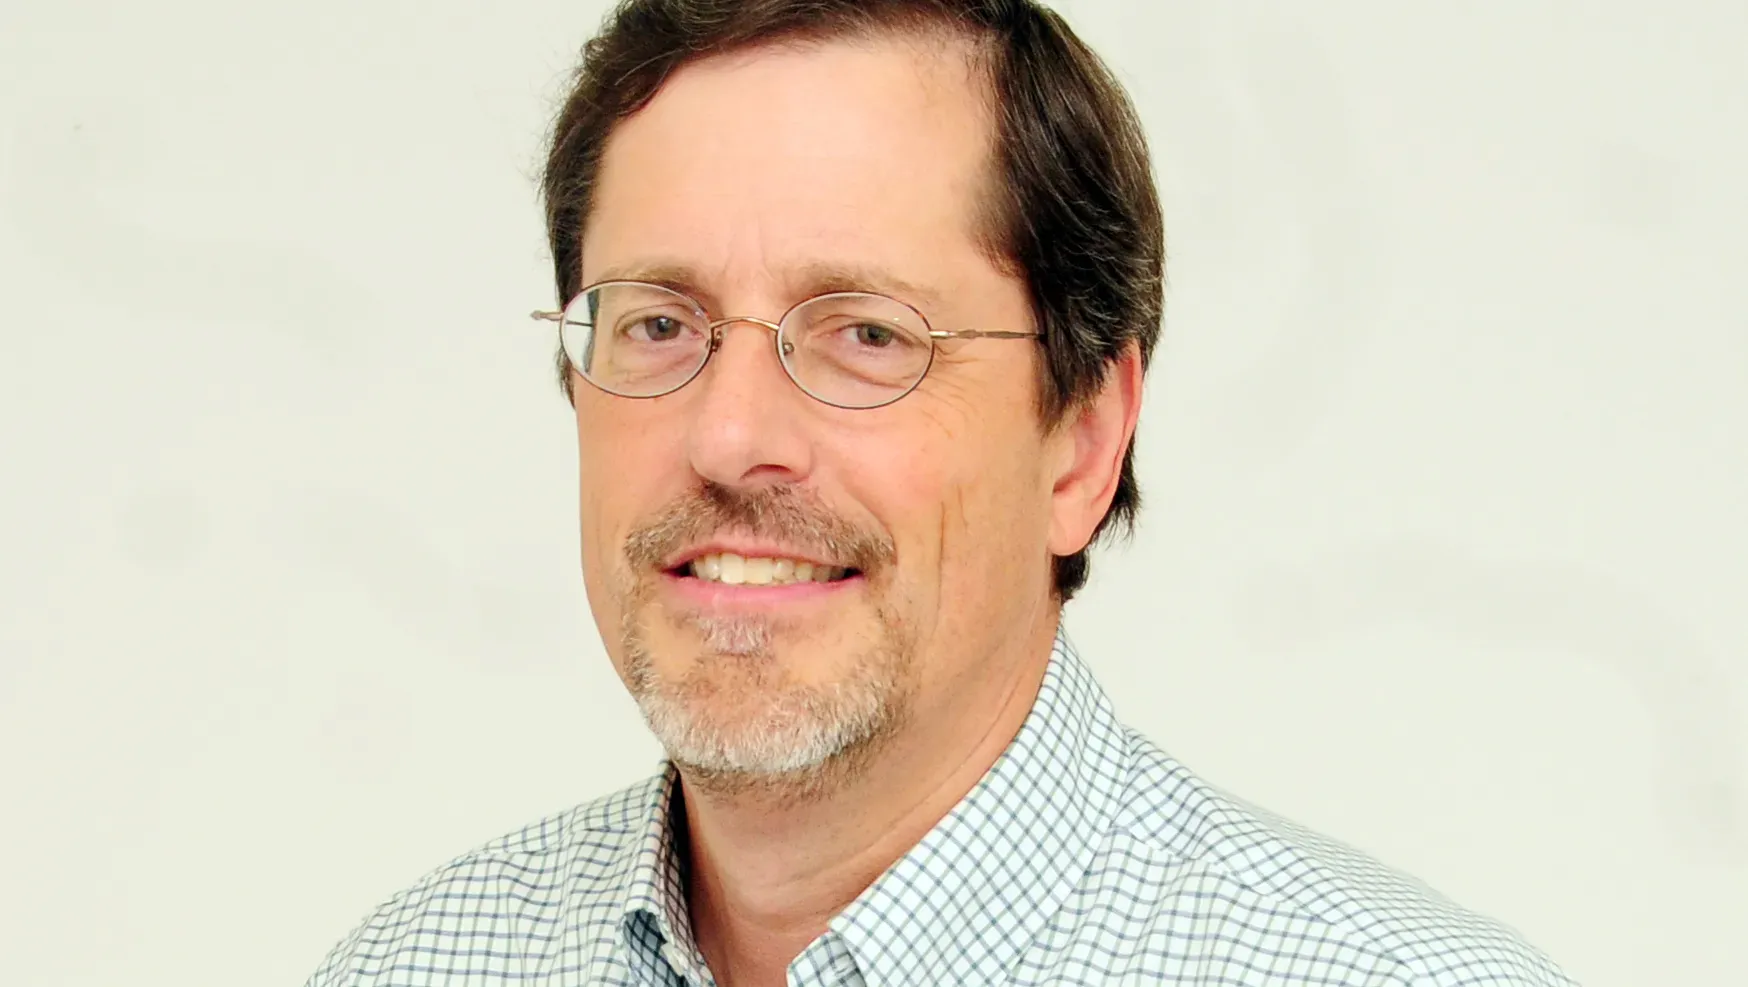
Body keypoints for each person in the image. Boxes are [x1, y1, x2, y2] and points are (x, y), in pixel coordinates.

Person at [306, 1, 1577, 984]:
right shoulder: (409, 967)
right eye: (658, 324)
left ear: (1080, 444)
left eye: (865, 334)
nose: (729, 436)